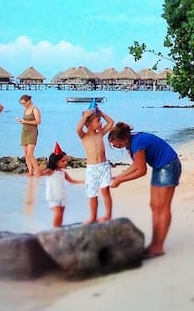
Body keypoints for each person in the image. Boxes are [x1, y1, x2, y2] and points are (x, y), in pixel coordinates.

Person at [109, 122, 181, 258]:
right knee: (154, 206)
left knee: (163, 207)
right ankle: (155, 243)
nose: (113, 145)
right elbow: (136, 164)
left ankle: (158, 247)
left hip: (169, 165)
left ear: (123, 139)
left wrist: (121, 181)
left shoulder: (137, 144)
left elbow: (142, 170)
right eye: (111, 143)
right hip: (159, 167)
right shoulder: (130, 142)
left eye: (115, 142)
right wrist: (119, 176)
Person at [76, 108, 115, 224]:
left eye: (100, 120)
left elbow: (111, 122)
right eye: (98, 121)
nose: (101, 123)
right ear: (88, 124)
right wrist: (85, 116)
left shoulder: (100, 134)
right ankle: (93, 217)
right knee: (92, 194)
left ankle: (108, 215)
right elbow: (78, 128)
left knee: (105, 191)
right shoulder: (84, 136)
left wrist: (101, 112)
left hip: (104, 167)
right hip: (92, 169)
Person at [39, 144, 83, 228]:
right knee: (58, 214)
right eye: (63, 161)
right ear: (56, 161)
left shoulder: (63, 173)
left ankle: (59, 228)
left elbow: (72, 181)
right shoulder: (50, 171)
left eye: (66, 160)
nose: (66, 162)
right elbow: (40, 174)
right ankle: (55, 229)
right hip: (52, 197)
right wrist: (39, 168)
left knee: (61, 215)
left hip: (62, 197)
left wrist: (83, 182)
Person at [16, 94, 41, 176]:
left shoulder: (35, 109)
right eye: (21, 104)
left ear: (29, 101)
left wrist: (25, 121)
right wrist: (21, 121)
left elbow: (38, 121)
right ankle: (30, 171)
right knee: (26, 153)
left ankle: (38, 171)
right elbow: (25, 121)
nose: (23, 105)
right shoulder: (25, 109)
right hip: (24, 132)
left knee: (30, 153)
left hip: (32, 132)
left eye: (24, 103)